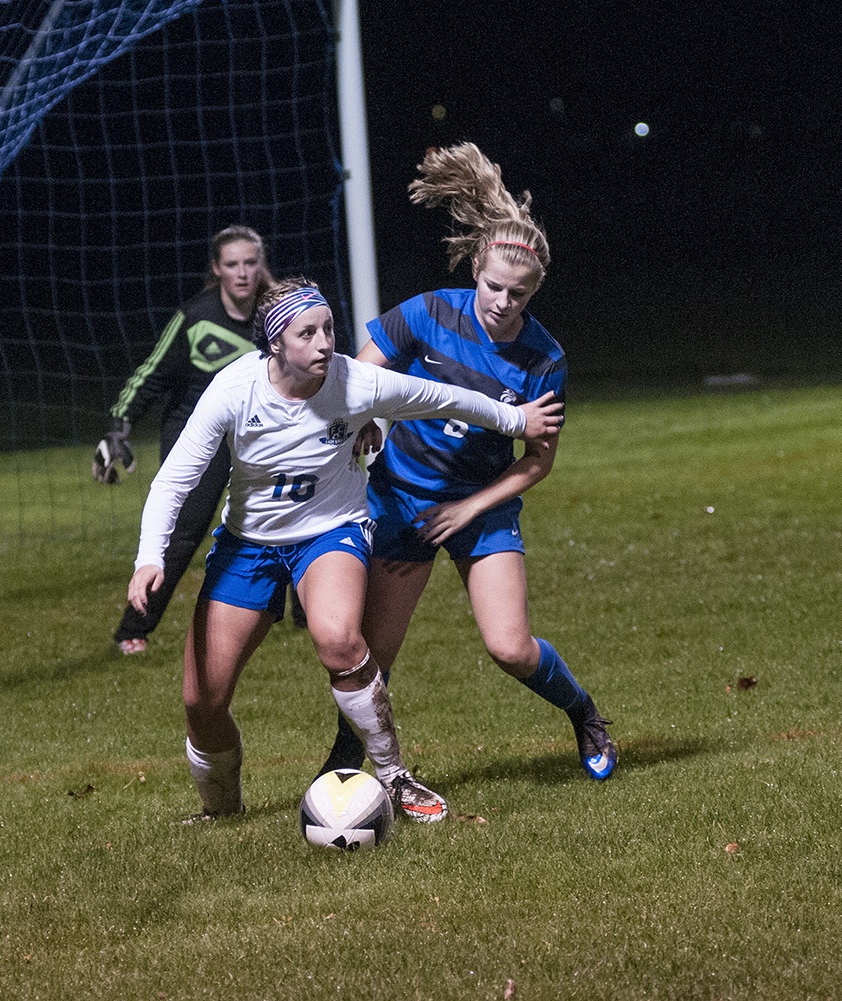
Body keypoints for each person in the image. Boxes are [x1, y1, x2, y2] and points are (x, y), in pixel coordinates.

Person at [127, 277, 564, 822]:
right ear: (274, 344)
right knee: (202, 701)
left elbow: (443, 398)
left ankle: (394, 776)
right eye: (306, 333)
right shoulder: (233, 389)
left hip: (331, 532)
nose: (324, 343)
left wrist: (515, 419)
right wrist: (151, 556)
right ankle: (222, 812)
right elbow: (173, 483)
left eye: (329, 328)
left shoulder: (355, 383)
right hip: (248, 545)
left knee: (337, 638)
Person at [319, 142, 618, 781]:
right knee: (374, 654)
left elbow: (538, 461)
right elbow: (359, 379)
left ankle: (584, 713)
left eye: (518, 293)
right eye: (493, 286)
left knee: (509, 647)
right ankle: (347, 762)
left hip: (480, 507)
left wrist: (472, 507)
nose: (502, 302)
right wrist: (368, 417)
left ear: (533, 290)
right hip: (402, 499)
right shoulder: (428, 312)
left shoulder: (544, 360)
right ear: (476, 265)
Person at [93, 225, 303, 655]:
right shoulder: (196, 317)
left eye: (250, 263)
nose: (243, 273)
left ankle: (308, 616)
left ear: (260, 265)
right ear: (216, 269)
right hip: (197, 436)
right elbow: (147, 377)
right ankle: (134, 628)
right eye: (232, 264)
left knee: (296, 512)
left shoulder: (278, 314)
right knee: (182, 533)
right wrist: (119, 427)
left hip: (258, 436)